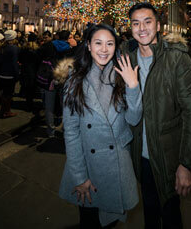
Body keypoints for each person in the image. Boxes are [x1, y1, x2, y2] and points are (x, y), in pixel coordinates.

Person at [120, 2, 191, 229]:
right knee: (150, 213)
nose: (142, 28)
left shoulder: (177, 59)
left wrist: (187, 164)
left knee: (170, 215)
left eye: (148, 21)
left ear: (158, 25)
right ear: (131, 27)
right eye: (136, 23)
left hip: (169, 157)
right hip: (142, 157)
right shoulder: (127, 58)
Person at [56, 24, 142, 228]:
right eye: (98, 43)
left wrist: (133, 86)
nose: (104, 49)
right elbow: (72, 132)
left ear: (116, 47)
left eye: (110, 43)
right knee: (90, 222)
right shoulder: (74, 81)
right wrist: (79, 177)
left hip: (117, 167)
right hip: (87, 165)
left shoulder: (123, 75)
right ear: (88, 45)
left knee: (110, 222)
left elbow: (134, 119)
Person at [0, 30, 19, 118]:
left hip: (2, 73)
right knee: (9, 94)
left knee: (4, 93)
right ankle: (6, 111)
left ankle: (3, 111)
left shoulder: (2, 47)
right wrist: (17, 74)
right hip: (10, 74)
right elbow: (14, 63)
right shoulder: (13, 48)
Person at [18, 32, 40, 112]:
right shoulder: (37, 49)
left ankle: (27, 103)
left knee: (26, 88)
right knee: (32, 89)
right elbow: (38, 61)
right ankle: (30, 104)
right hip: (34, 71)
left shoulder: (24, 48)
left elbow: (20, 59)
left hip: (25, 70)